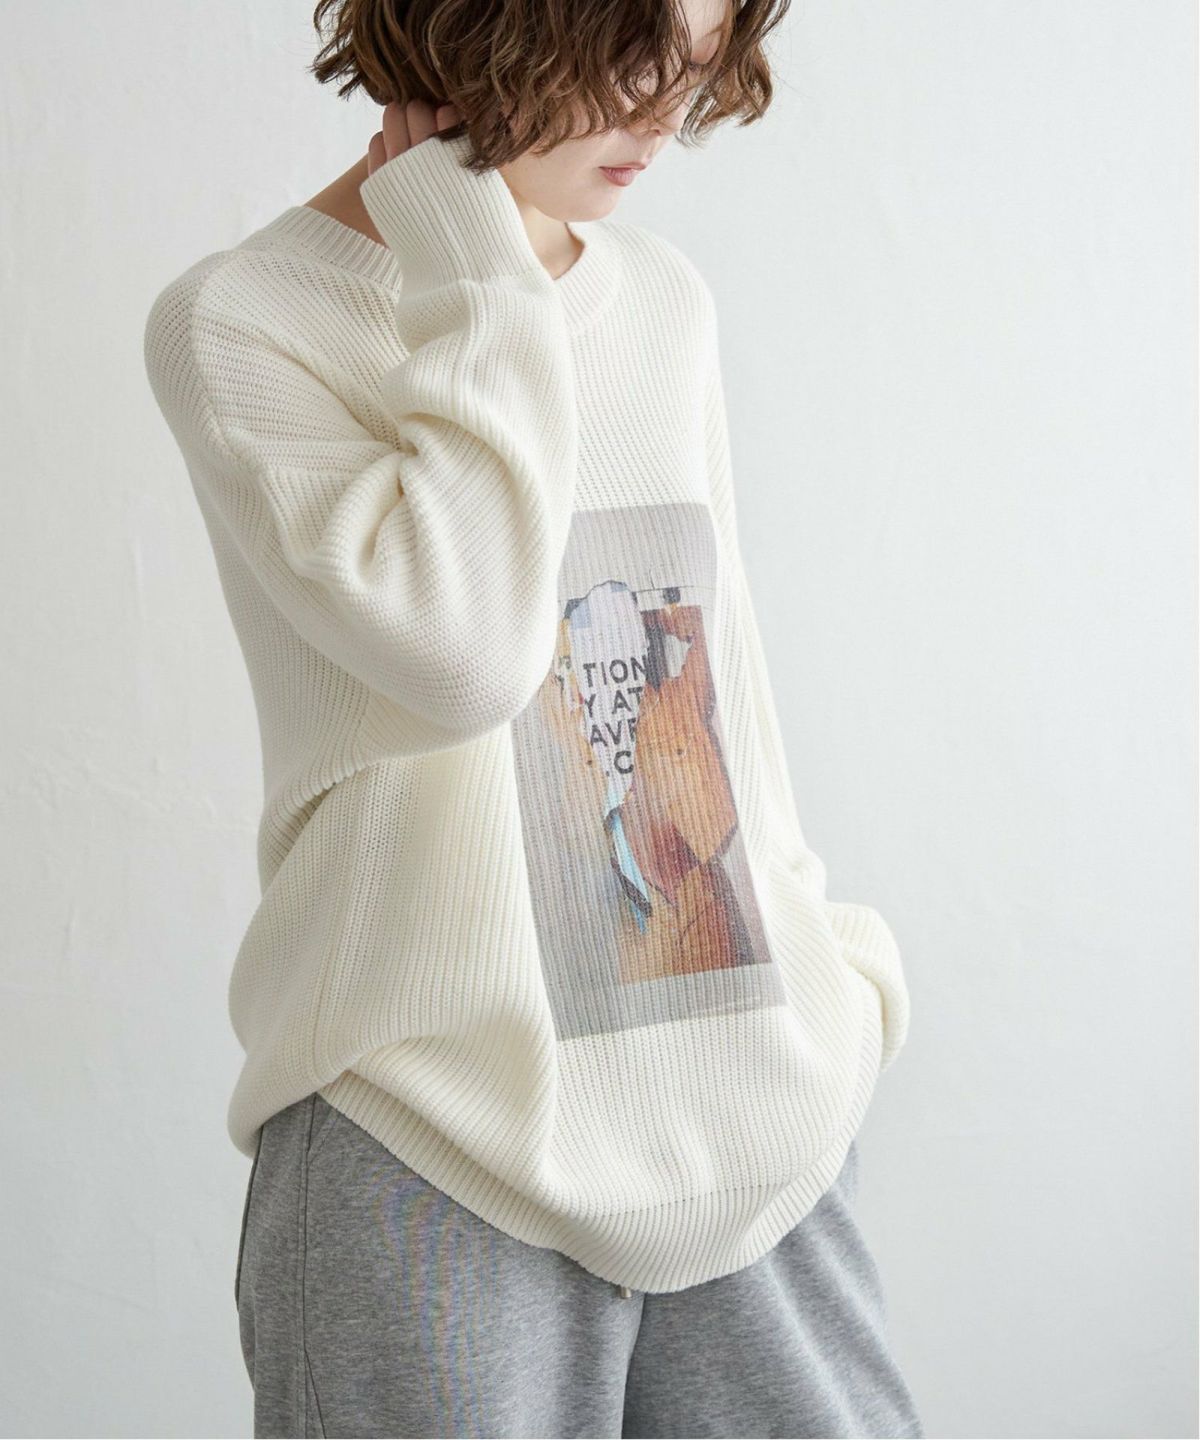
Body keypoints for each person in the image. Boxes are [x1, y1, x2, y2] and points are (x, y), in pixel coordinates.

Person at [143, 0, 923, 1434]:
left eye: (698, 63)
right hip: (434, 1137)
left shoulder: (662, 301)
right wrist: (478, 277)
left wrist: (832, 973)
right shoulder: (248, 321)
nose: (663, 113)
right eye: (629, 56)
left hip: (744, 1109)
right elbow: (465, 656)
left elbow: (721, 684)